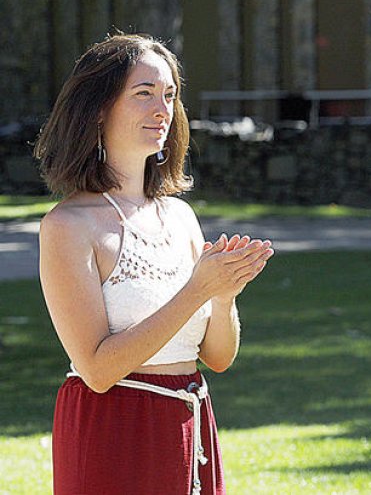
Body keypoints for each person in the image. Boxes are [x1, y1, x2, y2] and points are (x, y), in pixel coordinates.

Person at [34, 33, 275, 495]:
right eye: (143, 94)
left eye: (169, 95)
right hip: (113, 435)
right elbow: (98, 370)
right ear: (98, 108)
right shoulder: (68, 226)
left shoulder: (180, 215)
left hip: (188, 429)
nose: (162, 109)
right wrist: (196, 292)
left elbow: (218, 359)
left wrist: (223, 297)